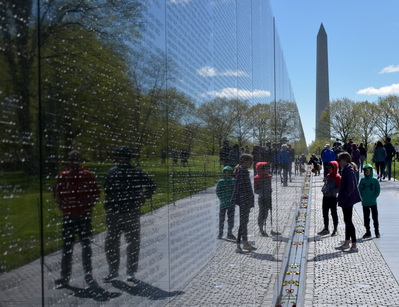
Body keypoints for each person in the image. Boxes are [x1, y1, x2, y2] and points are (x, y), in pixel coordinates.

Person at [104, 145, 156, 282]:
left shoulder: (135, 172)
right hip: (115, 212)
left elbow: (151, 184)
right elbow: (107, 191)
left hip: (130, 212)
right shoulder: (112, 172)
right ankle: (113, 270)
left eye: (122, 156)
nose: (120, 159)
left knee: (132, 242)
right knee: (111, 242)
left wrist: (145, 195)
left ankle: (130, 271)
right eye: (119, 156)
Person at [54, 150, 100, 288]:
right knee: (69, 246)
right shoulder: (64, 176)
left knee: (84, 245)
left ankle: (86, 274)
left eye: (75, 159)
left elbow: (95, 193)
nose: (73, 162)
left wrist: (86, 208)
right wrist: (65, 209)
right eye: (72, 159)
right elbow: (57, 194)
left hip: (81, 215)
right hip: (71, 216)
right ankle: (66, 276)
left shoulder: (86, 175)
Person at [335, 152, 362, 253]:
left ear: (344, 160)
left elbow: (351, 187)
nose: (339, 162)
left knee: (349, 222)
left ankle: (354, 245)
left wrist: (344, 196)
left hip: (347, 200)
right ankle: (347, 243)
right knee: (347, 221)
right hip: (346, 199)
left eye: (340, 160)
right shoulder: (346, 170)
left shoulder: (348, 171)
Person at [231, 153, 256, 253]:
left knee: (244, 222)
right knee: (243, 222)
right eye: (250, 161)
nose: (251, 163)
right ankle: (240, 244)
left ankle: (243, 243)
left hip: (244, 200)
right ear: (244, 161)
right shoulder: (242, 172)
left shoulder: (243, 171)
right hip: (244, 200)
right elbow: (242, 188)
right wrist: (247, 199)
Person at [318, 161, 341, 236]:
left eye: (331, 168)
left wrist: (331, 191)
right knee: (325, 213)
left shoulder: (338, 177)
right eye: (328, 168)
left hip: (333, 198)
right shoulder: (328, 175)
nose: (329, 169)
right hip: (325, 197)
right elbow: (325, 184)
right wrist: (324, 189)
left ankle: (335, 229)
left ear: (334, 168)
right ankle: (326, 228)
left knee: (334, 213)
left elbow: (339, 188)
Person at [358, 164, 380, 239]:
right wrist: (361, 197)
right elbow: (360, 189)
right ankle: (368, 231)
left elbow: (377, 190)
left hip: (373, 202)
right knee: (366, 218)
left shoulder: (375, 180)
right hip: (365, 202)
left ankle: (377, 232)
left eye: (369, 170)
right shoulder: (363, 180)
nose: (367, 172)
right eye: (366, 170)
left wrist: (374, 197)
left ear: (371, 171)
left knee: (375, 217)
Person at [216, 166, 236, 240]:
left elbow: (235, 191)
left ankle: (229, 233)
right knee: (222, 219)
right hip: (223, 203)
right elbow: (218, 191)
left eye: (229, 172)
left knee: (231, 219)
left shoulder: (234, 181)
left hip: (231, 204)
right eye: (226, 172)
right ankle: (220, 233)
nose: (228, 174)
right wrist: (222, 198)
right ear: (224, 173)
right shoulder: (221, 182)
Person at [254, 162, 273, 237]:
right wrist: (262, 191)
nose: (268, 170)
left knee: (266, 212)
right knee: (262, 213)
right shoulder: (257, 178)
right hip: (262, 198)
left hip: (268, 197)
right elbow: (255, 190)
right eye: (266, 168)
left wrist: (270, 191)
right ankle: (260, 228)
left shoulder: (269, 177)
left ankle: (264, 226)